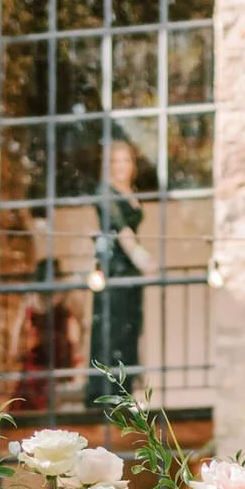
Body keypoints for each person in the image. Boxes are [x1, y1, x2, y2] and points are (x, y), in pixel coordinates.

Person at [89, 135, 153, 409]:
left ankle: (127, 391)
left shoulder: (131, 190)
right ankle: (108, 393)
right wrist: (142, 258)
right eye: (115, 161)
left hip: (129, 271)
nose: (121, 166)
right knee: (113, 327)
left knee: (130, 327)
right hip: (115, 267)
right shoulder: (105, 191)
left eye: (126, 160)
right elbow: (122, 230)